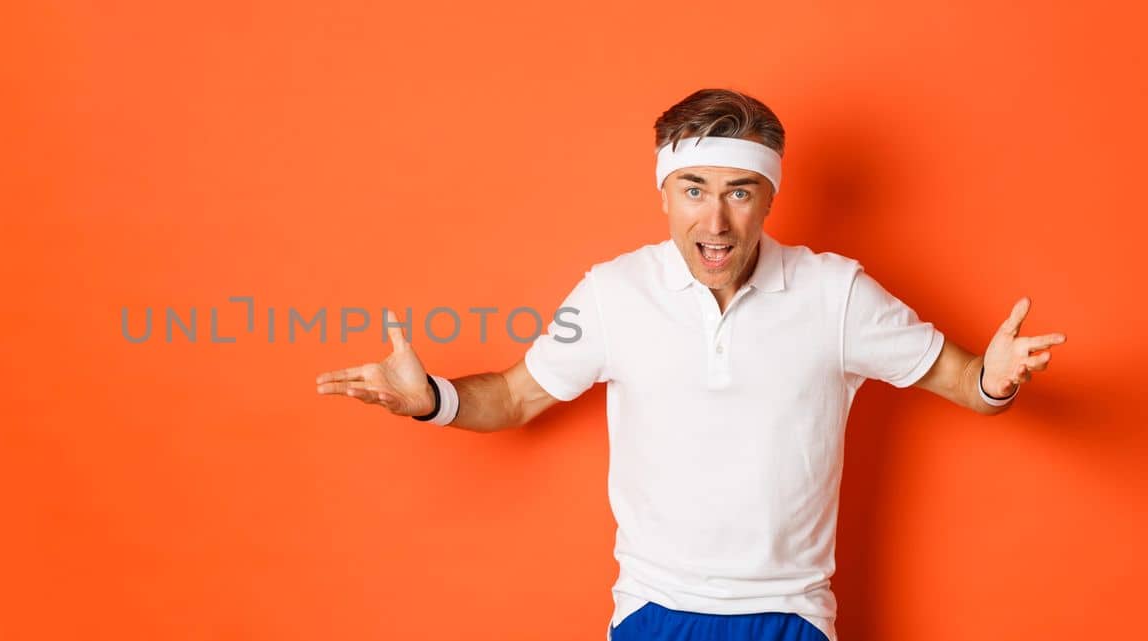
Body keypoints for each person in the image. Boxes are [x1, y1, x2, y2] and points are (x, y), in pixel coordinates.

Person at [313, 88, 1067, 641]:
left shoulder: (835, 293)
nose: (716, 219)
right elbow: (513, 395)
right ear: (664, 195)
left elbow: (963, 382)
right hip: (652, 609)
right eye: (694, 190)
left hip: (791, 612)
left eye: (739, 192)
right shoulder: (613, 293)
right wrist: (431, 399)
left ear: (769, 195)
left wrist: (992, 378)